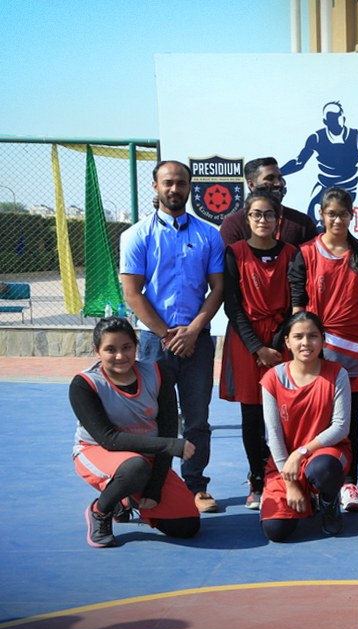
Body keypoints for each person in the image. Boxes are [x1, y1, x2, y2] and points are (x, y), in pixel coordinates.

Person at [120, 160, 225, 514]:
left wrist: (193, 330)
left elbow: (218, 288)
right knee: (153, 419)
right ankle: (153, 486)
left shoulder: (209, 235)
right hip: (154, 342)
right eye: (168, 182)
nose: (174, 189)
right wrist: (168, 335)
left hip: (198, 341)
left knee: (197, 419)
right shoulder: (136, 235)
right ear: (155, 186)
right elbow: (133, 294)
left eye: (181, 183)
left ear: (190, 187)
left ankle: (196, 486)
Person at [70, 317, 200, 547]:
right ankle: (100, 510)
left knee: (186, 526)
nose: (120, 356)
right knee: (134, 468)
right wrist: (171, 446)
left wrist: (155, 487)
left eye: (126, 347)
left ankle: (125, 499)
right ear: (96, 351)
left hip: (146, 458)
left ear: (136, 347)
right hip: (97, 451)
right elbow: (108, 439)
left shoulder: (157, 374)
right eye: (110, 349)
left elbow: (168, 430)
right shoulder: (85, 384)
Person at [289, 186, 358, 513]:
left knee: (348, 420)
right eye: (331, 213)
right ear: (321, 215)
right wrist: (303, 346)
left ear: (353, 215)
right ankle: (313, 479)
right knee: (315, 417)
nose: (338, 219)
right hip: (317, 347)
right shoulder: (306, 252)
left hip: (355, 349)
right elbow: (297, 305)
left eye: (344, 213)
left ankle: (348, 482)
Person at [220, 190, 297, 510]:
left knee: (288, 413)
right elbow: (232, 306)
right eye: (256, 214)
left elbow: (296, 299)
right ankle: (257, 478)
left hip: (283, 342)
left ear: (278, 219)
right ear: (247, 218)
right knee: (252, 415)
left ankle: (287, 475)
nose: (262, 220)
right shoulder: (234, 252)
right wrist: (258, 347)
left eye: (268, 214)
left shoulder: (292, 253)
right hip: (247, 343)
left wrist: (277, 342)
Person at [260, 311, 351, 541]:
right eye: (298, 336)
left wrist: (301, 453)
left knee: (325, 469)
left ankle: (329, 502)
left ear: (323, 339)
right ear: (287, 342)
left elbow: (341, 427)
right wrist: (290, 483)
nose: (306, 343)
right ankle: (302, 494)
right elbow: (273, 435)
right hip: (285, 463)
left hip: (324, 455)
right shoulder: (273, 378)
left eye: (312, 336)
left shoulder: (337, 374)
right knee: (276, 531)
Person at [282, 101, 358, 221]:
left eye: (339, 115)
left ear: (343, 117)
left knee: (335, 216)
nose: (337, 119)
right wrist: (277, 173)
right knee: (314, 213)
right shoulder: (316, 138)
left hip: (348, 187)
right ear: (325, 121)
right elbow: (299, 162)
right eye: (332, 117)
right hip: (325, 184)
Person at [218, 157, 319, 247]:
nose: (278, 183)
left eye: (280, 178)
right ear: (251, 185)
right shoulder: (233, 225)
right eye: (270, 179)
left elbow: (314, 263)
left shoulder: (303, 223)